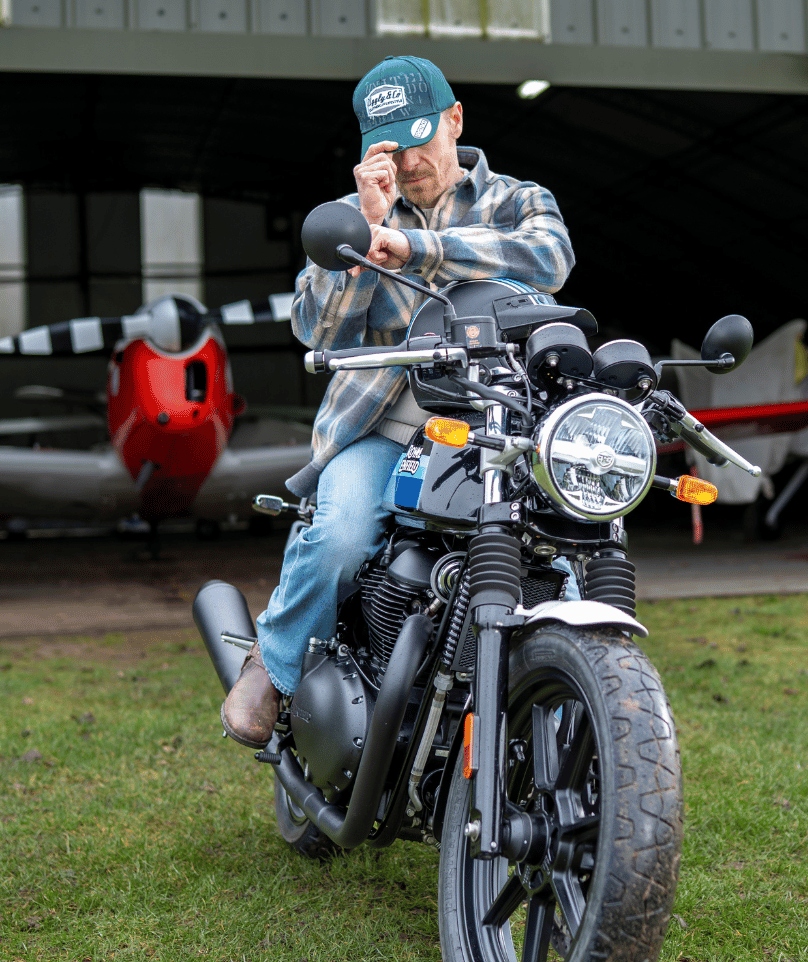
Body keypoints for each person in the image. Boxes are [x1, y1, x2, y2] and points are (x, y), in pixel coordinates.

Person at [221, 56, 575, 748]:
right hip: (385, 428)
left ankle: (576, 713)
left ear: (455, 120)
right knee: (341, 534)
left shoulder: (518, 200)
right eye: (389, 148)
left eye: (418, 139)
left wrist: (413, 247)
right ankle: (276, 663)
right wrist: (364, 235)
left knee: (562, 555)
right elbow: (317, 331)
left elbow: (548, 259)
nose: (408, 163)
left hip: (497, 428)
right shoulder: (350, 216)